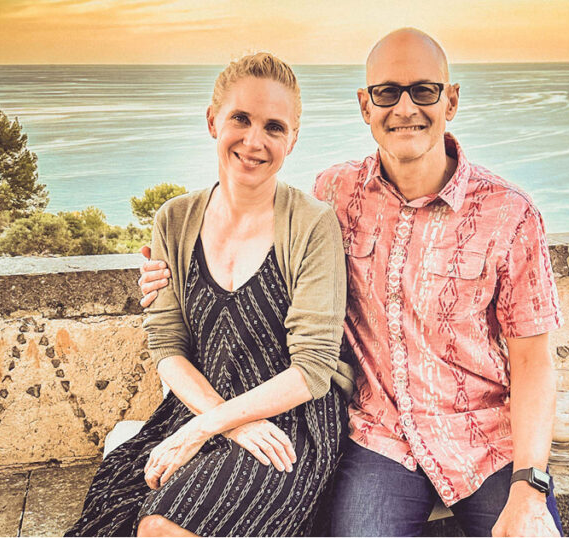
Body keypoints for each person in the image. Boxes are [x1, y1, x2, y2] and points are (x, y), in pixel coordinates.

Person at [139, 29, 563, 537]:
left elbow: (534, 361)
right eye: (387, 93)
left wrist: (530, 487)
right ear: (366, 106)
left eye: (424, 91)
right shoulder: (333, 195)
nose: (405, 107)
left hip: (483, 441)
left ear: (450, 99)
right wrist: (166, 272)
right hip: (379, 439)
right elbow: (252, 229)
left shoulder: (510, 215)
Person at [67, 52, 354, 537]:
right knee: (113, 511)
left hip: (287, 425)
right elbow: (167, 347)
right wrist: (220, 421)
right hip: (199, 404)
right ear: (212, 121)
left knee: (162, 525)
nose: (254, 140)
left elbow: (312, 370)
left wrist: (206, 429)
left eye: (274, 127)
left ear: (293, 139)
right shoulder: (173, 221)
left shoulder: (312, 224)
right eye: (240, 118)